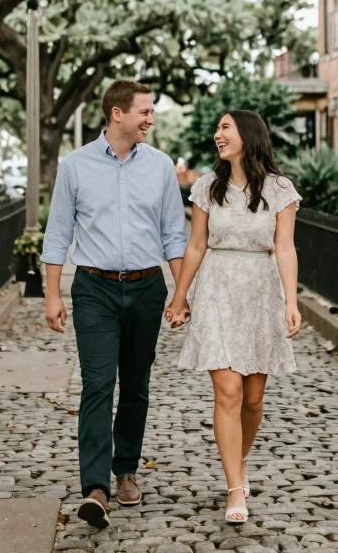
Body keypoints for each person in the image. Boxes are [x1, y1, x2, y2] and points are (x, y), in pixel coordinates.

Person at [41, 79, 188, 530]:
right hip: (94, 289)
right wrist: (52, 294)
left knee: (136, 385)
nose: (151, 119)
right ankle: (95, 488)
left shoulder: (160, 166)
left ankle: (125, 470)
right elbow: (58, 233)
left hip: (147, 288)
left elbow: (174, 235)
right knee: (98, 384)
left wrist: (182, 293)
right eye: (145, 111)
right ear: (117, 113)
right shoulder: (75, 166)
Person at [165, 109, 302, 525]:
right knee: (228, 392)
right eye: (218, 127)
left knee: (253, 399)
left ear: (248, 134)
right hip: (217, 290)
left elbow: (285, 248)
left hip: (261, 293)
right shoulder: (207, 187)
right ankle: (234, 488)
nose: (217, 134)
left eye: (225, 127)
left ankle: (238, 461)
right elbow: (196, 245)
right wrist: (180, 297)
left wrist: (291, 301)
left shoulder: (280, 189)